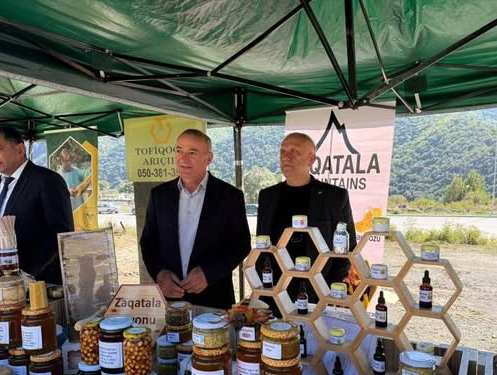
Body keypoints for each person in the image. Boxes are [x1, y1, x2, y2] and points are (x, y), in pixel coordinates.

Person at [140, 129, 251, 310]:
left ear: (209, 158)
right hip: (170, 300)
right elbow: (148, 242)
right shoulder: (159, 195)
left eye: (192, 152)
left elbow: (241, 245)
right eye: (179, 150)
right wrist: (159, 274)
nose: (183, 159)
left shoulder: (230, 196)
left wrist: (209, 273)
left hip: (215, 299)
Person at [0, 127, 74, 284]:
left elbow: (61, 232)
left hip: (35, 282)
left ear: (20, 149)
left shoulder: (47, 180)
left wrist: (25, 274)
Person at [257, 132, 356, 303]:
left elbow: (347, 248)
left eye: (294, 151)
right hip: (274, 290)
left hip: (317, 291)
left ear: (311, 159)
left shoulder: (334, 197)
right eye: (283, 152)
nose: (286, 157)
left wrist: (328, 289)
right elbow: (261, 244)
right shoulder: (267, 196)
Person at [57, 147, 91, 211]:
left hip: (79, 210)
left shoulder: (76, 171)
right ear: (61, 161)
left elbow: (87, 174)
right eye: (66, 161)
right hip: (65, 210)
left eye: (69, 160)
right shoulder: (57, 175)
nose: (68, 163)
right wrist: (67, 191)